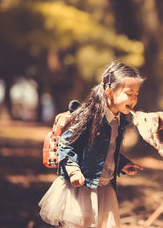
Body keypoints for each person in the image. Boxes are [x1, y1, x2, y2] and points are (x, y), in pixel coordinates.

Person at [39, 61, 145, 228]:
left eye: (136, 95)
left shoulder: (120, 120)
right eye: (128, 94)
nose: (133, 100)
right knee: (81, 223)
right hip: (83, 185)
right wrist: (73, 171)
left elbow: (108, 150)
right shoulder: (90, 116)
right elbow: (66, 144)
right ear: (109, 92)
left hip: (104, 186)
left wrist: (122, 164)